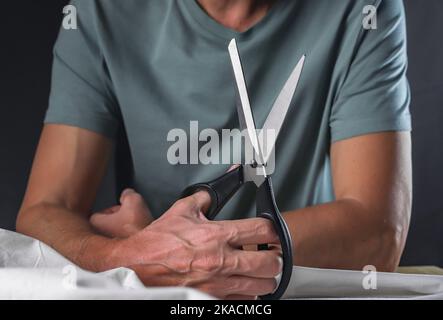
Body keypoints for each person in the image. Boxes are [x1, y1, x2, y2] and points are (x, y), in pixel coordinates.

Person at [16, 0, 412, 299]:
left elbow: (377, 237)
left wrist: (155, 250)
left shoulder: (363, 9)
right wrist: (123, 258)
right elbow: (44, 212)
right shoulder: (98, 10)